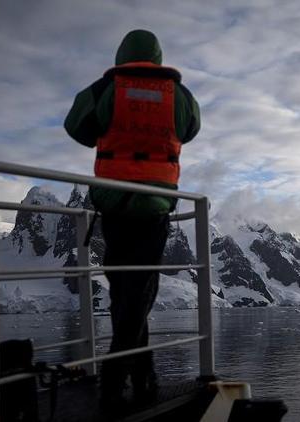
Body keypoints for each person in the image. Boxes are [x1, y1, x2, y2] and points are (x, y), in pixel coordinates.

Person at [63, 29, 200, 410]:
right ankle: (136, 377)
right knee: (136, 292)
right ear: (157, 57)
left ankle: (122, 378)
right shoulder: (181, 96)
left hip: (115, 201)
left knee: (127, 291)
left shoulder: (106, 89)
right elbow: (191, 129)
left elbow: (77, 128)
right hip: (155, 204)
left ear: (122, 54)